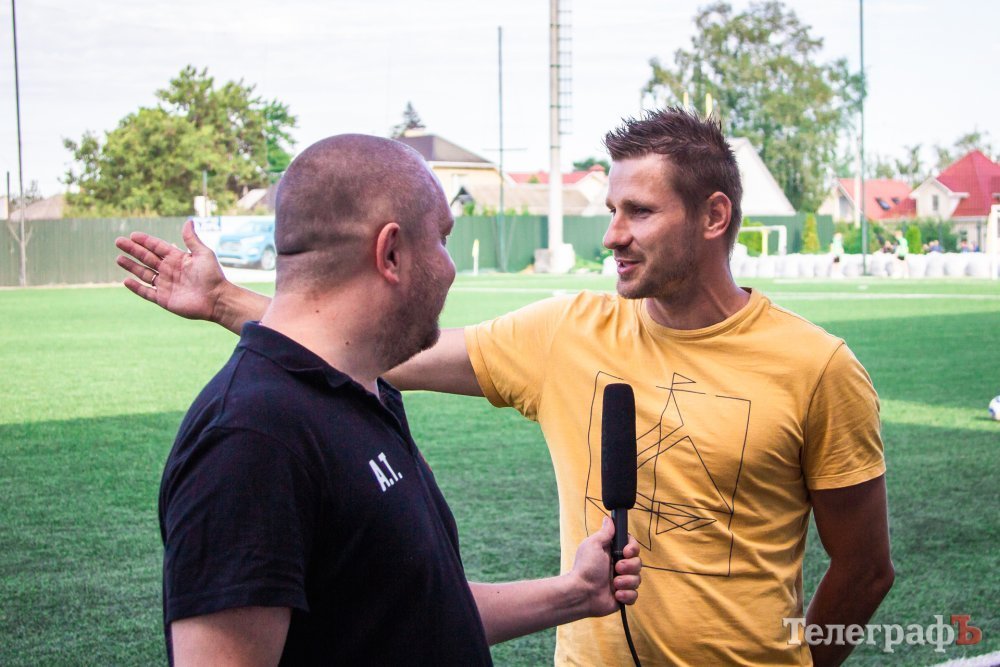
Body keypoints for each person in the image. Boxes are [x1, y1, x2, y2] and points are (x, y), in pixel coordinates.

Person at [118, 109, 893, 666]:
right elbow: (386, 350)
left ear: (714, 215)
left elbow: (864, 567)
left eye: (639, 211)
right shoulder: (567, 332)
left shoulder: (817, 366)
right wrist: (225, 301)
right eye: (611, 210)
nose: (612, 234)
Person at [117, 134, 642, 666]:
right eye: (442, 239)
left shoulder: (363, 393)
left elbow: (413, 610)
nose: (450, 267)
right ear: (390, 252)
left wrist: (576, 593)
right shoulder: (251, 439)